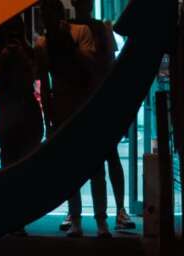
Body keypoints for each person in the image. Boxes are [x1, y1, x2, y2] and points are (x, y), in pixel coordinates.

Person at [38, 0, 109, 238]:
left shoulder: (77, 32)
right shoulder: (46, 42)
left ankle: (97, 219)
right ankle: (83, 219)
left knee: (92, 165)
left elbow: (92, 64)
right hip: (69, 106)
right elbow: (45, 83)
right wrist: (48, 117)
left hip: (80, 104)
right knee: (77, 166)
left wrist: (70, 45)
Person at [68, 0, 135, 232]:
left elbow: (110, 63)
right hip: (87, 98)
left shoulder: (97, 28)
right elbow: (110, 63)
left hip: (91, 98)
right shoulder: (90, 28)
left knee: (107, 157)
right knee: (104, 158)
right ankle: (107, 212)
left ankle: (115, 210)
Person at [0, 16, 45, 202]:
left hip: (18, 109)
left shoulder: (28, 52)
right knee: (12, 161)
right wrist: (4, 58)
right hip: (13, 109)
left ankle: (18, 204)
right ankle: (15, 204)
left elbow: (36, 74)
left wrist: (21, 56)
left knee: (19, 162)